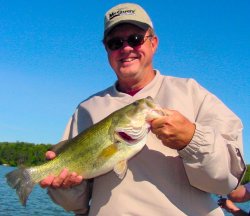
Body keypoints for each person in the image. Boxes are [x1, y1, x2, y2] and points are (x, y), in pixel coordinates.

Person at [40, 3, 246, 216]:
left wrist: (192, 139)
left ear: (153, 43)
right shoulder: (86, 109)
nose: (126, 48)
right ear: (106, 50)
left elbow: (227, 182)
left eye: (136, 39)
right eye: (115, 42)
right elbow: (75, 205)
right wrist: (65, 187)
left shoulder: (192, 92)